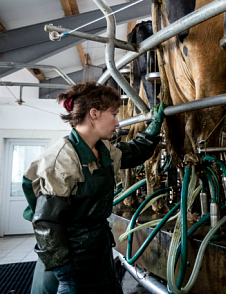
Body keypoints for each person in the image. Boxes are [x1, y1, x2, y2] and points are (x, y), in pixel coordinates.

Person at [22, 82, 164, 294]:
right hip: (68, 263)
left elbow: (133, 153)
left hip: (98, 253)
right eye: (114, 114)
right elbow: (47, 225)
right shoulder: (62, 161)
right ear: (94, 114)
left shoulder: (103, 149)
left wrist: (153, 130)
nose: (117, 122)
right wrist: (65, 278)